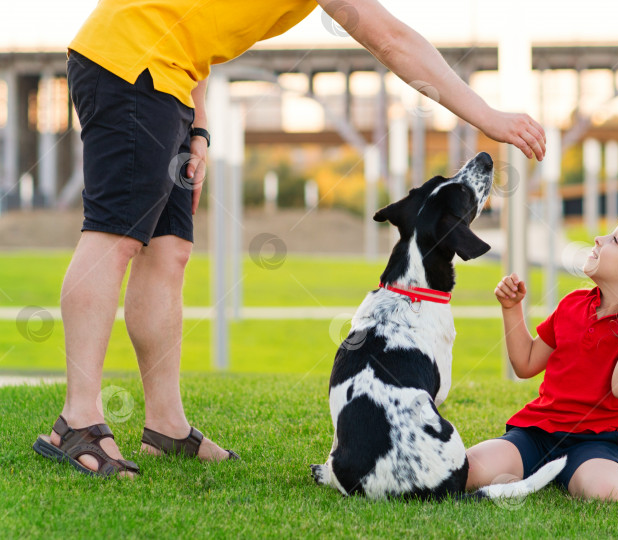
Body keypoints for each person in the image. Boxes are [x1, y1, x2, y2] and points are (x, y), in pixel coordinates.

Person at [32, 0, 548, 477]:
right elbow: (389, 38)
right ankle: (77, 421)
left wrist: (200, 127)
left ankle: (165, 425)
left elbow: (191, 28)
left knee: (169, 252)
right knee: (115, 238)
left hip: (169, 78)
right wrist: (490, 119)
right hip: (130, 66)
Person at [466, 214, 618, 501]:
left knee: (606, 492)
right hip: (537, 432)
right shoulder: (572, 305)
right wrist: (511, 308)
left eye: (615, 239)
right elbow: (525, 363)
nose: (599, 239)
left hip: (594, 443)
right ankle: (533, 469)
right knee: (469, 469)